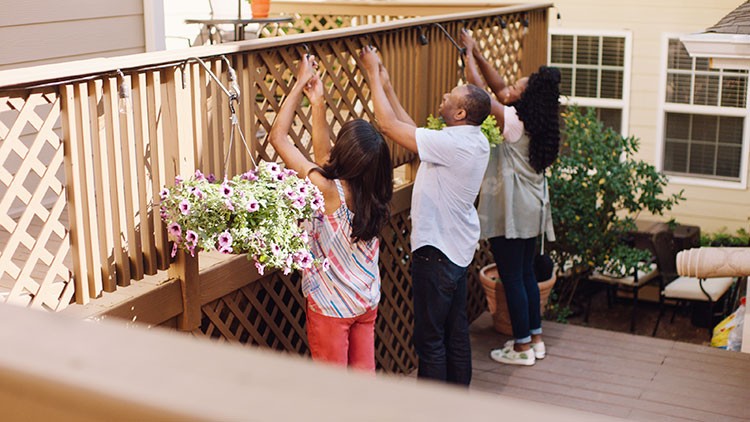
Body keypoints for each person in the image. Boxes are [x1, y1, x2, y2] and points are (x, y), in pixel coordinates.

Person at [360, 46, 491, 385]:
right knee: (456, 332)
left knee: (430, 340)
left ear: (460, 113)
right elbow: (412, 131)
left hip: (437, 254)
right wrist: (387, 86)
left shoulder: (455, 145)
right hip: (457, 251)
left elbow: (388, 126)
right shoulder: (471, 141)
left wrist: (372, 72)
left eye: (451, 96)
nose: (444, 96)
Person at [269, 54, 394, 372]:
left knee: (332, 392)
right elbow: (323, 156)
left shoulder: (328, 190)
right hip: (366, 302)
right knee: (361, 385)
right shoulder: (376, 192)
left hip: (331, 307)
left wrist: (299, 84)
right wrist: (319, 103)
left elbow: (279, 138)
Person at [461, 30, 561, 366]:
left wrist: (467, 56)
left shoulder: (514, 122)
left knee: (513, 277)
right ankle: (534, 338)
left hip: (513, 211)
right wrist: (477, 53)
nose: (509, 89)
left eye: (517, 87)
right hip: (533, 209)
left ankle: (520, 348)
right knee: (527, 274)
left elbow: (480, 94)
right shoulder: (540, 123)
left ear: (525, 98)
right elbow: (499, 87)